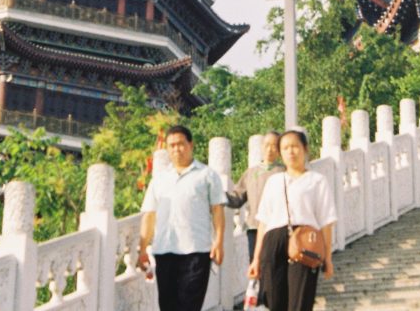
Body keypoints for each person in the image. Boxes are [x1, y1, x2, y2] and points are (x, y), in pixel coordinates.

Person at [137, 125, 226, 311]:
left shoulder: (206, 175)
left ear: (191, 144)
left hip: (196, 250)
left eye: (180, 144)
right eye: (171, 145)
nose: (176, 149)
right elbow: (149, 215)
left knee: (189, 305)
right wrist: (142, 248)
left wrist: (218, 242)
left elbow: (217, 210)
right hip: (164, 250)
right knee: (167, 305)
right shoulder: (159, 179)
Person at [248, 130, 336, 311]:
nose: (291, 152)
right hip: (274, 241)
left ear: (305, 149)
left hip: (305, 241)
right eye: (285, 148)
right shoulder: (274, 181)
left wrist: (327, 257)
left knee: (301, 301)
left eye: (295, 146)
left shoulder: (317, 181)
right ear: (281, 153)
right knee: (273, 300)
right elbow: (263, 223)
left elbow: (326, 222)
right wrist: (256, 259)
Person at [226, 131, 285, 262]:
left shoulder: (284, 171)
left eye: (274, 145)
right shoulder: (251, 172)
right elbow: (237, 198)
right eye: (267, 145)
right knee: (257, 264)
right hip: (254, 228)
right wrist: (217, 196)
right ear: (262, 147)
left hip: (277, 228)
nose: (270, 149)